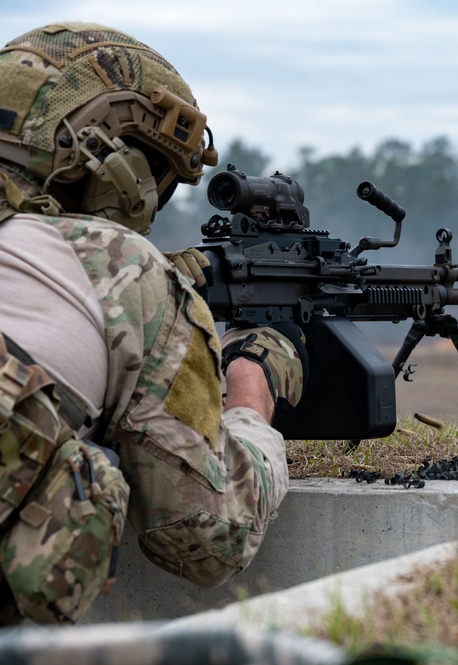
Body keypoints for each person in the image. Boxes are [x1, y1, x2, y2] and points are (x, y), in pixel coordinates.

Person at [0, 22, 305, 624]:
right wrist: (250, 388)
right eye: (156, 178)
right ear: (110, 164)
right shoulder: (120, 266)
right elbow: (207, 537)